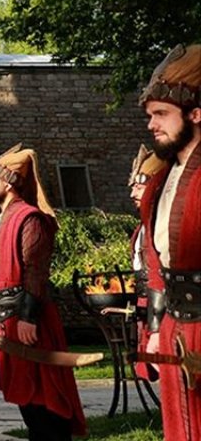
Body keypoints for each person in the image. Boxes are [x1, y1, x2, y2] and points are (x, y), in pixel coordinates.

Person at [0, 144, 86, 438]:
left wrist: (28, 314)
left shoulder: (30, 218)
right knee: (26, 398)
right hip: (7, 320)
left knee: (45, 397)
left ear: (9, 180)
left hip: (29, 320)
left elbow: (35, 270)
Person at [137, 44, 201, 441]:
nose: (152, 125)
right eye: (150, 115)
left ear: (196, 114)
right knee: (181, 425)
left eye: (162, 114)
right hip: (177, 324)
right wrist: (158, 327)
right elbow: (158, 264)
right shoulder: (158, 183)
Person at [126, 144, 167, 382]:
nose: (133, 194)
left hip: (166, 308)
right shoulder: (142, 227)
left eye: (139, 187)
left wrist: (157, 326)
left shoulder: (160, 225)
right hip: (146, 303)